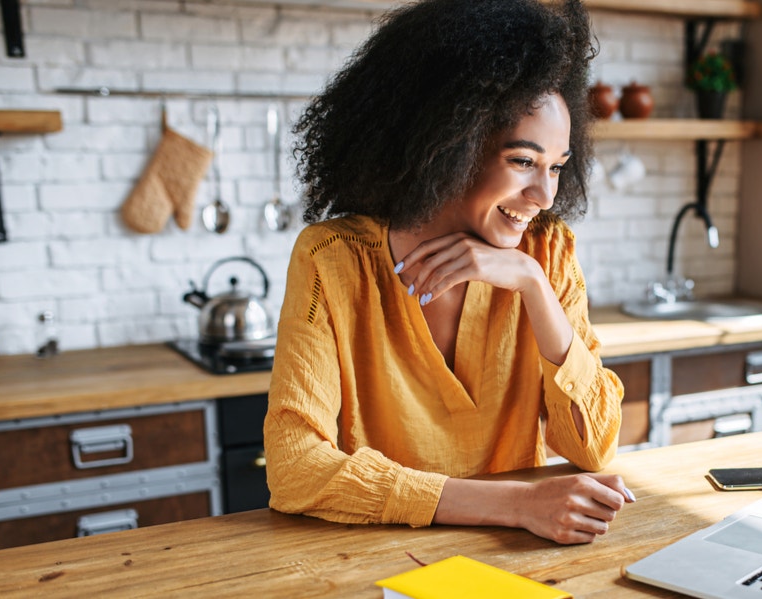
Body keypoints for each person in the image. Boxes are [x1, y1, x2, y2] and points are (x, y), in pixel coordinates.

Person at [264, 0, 633, 545]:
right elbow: (294, 469)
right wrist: (516, 504)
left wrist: (531, 283)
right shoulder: (333, 260)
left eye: (556, 167)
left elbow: (594, 447)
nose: (544, 194)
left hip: (521, 559)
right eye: (523, 161)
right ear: (449, 145)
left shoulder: (548, 251)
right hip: (378, 560)